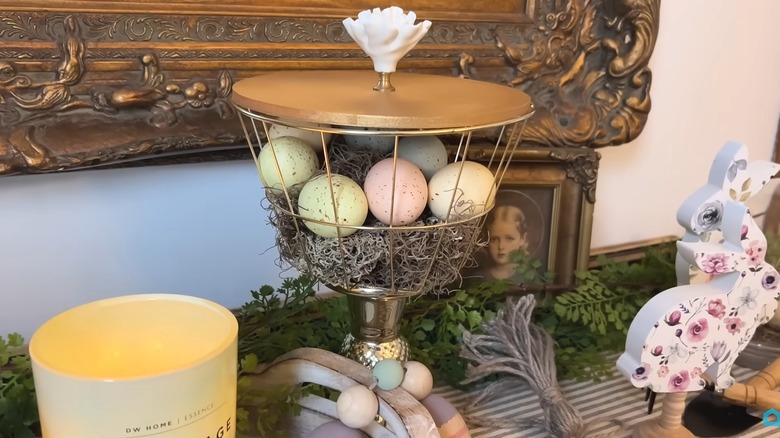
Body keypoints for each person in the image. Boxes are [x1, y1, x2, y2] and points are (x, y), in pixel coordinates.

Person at [483, 204, 529, 281]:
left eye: (509, 239)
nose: (501, 247)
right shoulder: (479, 278)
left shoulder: (528, 278)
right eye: (494, 239)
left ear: (522, 239)